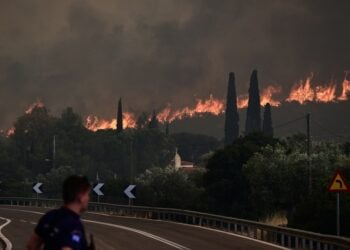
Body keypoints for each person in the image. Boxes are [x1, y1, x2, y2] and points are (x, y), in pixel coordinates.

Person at [27, 175, 95, 250]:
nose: (88, 198)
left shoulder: (50, 216)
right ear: (80, 197)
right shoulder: (74, 225)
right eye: (87, 194)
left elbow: (32, 245)